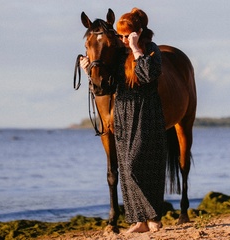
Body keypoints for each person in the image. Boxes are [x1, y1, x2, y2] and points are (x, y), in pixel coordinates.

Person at [80, 8, 167, 233]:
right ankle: (139, 220)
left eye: (127, 35)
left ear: (138, 32)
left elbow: (148, 75)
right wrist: (89, 69)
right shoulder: (119, 55)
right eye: (121, 36)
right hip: (123, 113)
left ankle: (154, 216)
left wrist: (136, 48)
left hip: (146, 112)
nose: (123, 40)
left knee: (144, 165)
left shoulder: (150, 51)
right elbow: (107, 85)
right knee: (127, 168)